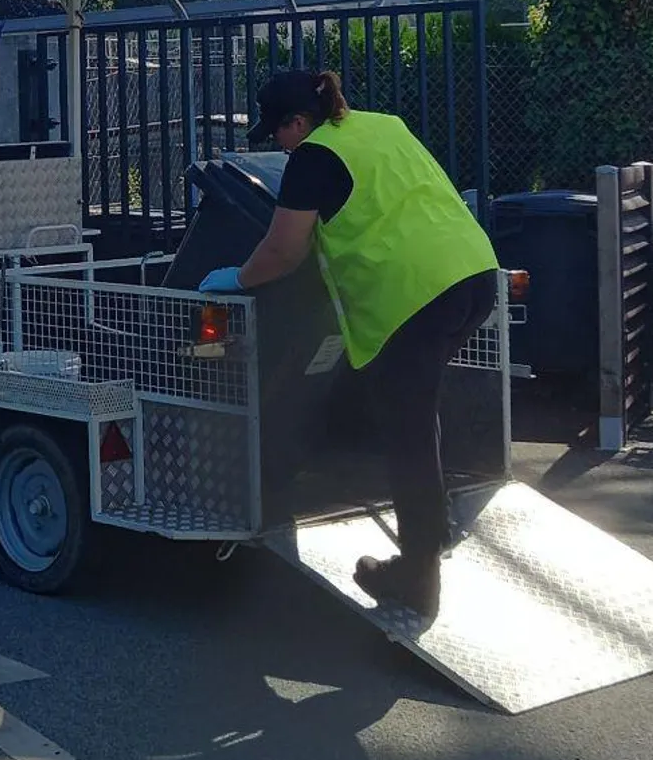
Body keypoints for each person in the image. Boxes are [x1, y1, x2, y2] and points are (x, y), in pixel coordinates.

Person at [198, 69, 498, 620]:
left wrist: (237, 279)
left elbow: (285, 251)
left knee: (406, 422)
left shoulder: (314, 156)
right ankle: (432, 528)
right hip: (474, 274)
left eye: (281, 132)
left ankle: (416, 575)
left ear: (299, 121)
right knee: (414, 406)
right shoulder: (382, 125)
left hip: (418, 294)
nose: (281, 145)